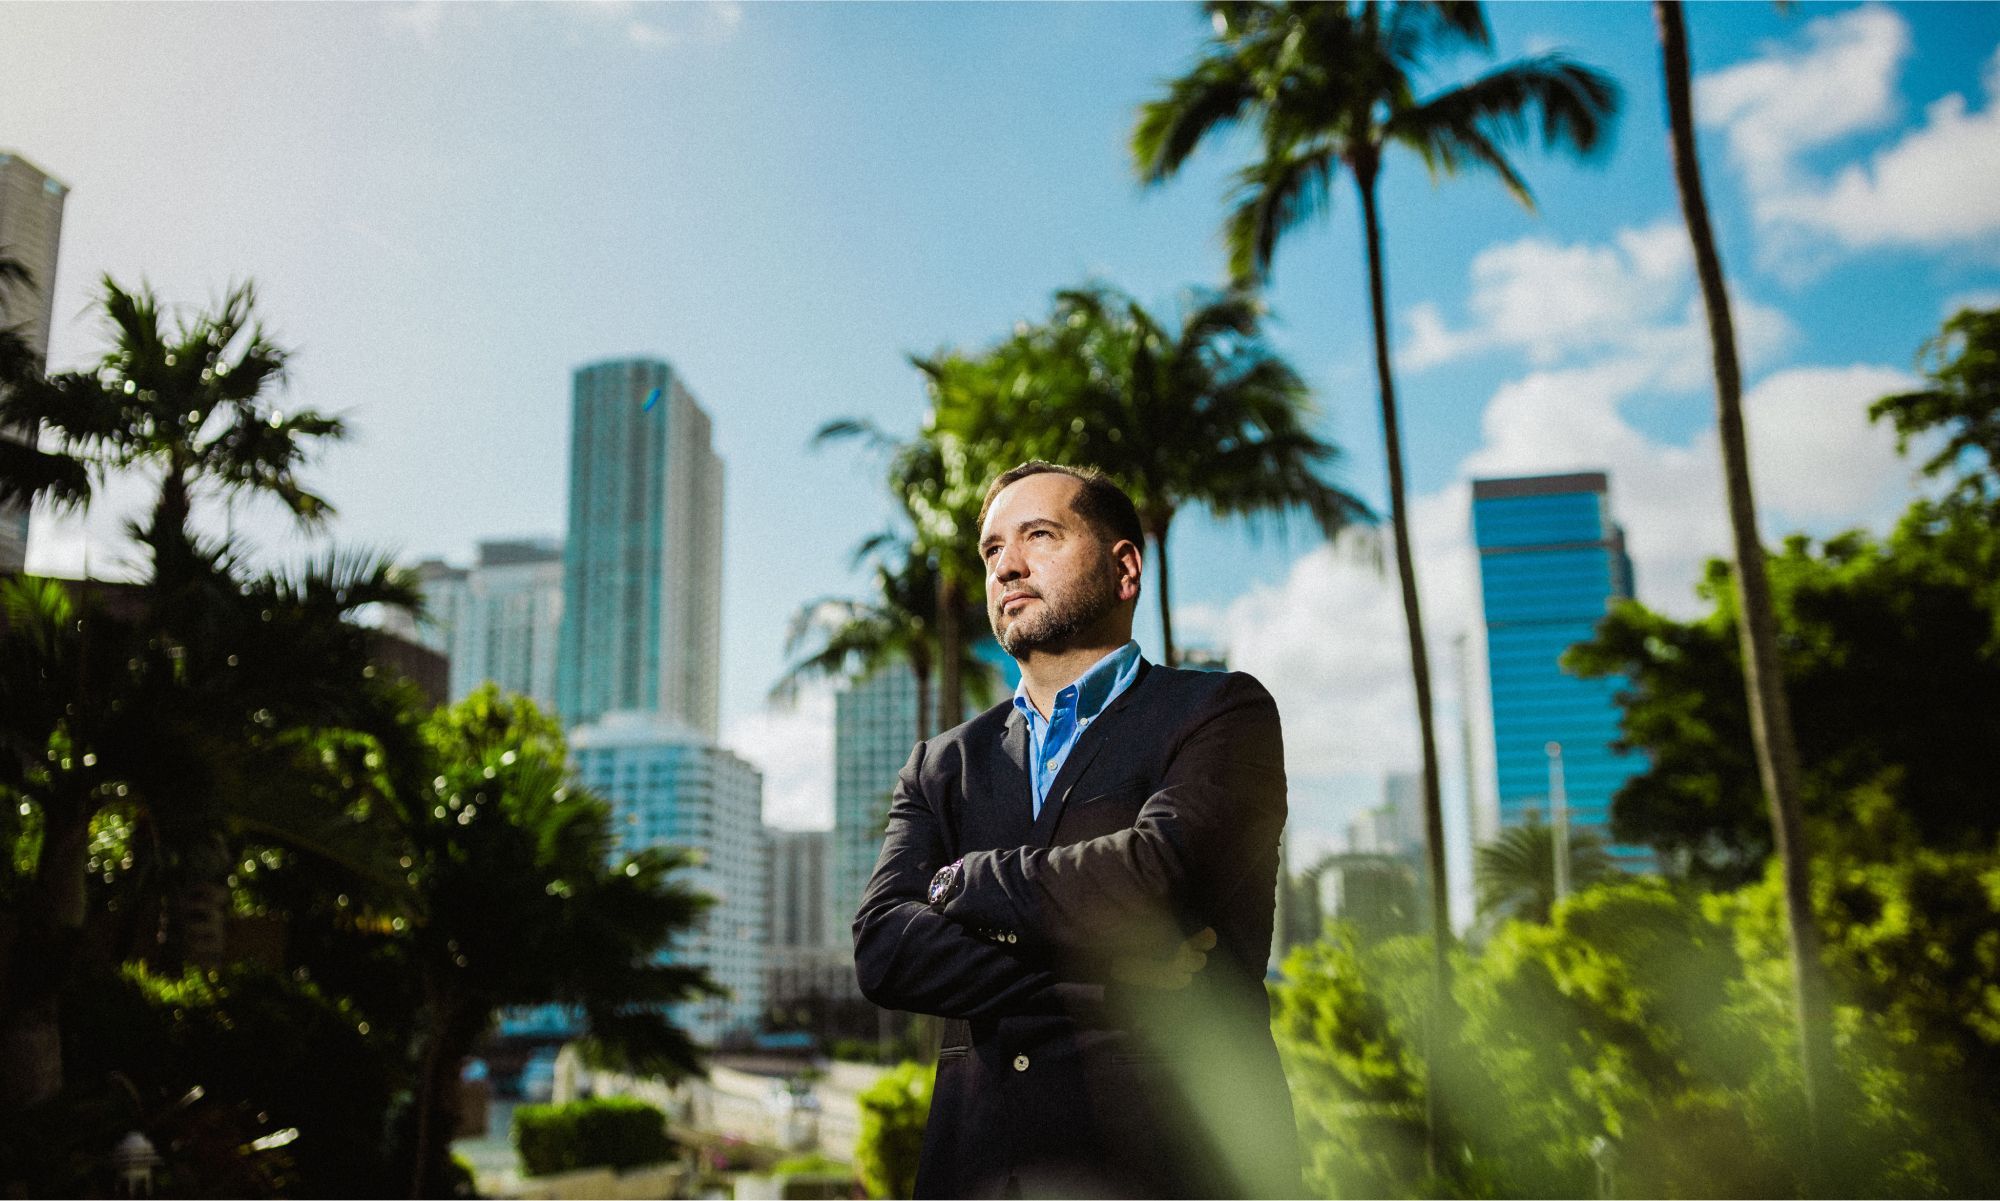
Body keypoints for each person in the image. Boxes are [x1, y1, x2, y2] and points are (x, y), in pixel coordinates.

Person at [853, 461, 1301, 1199]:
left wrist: (960, 881)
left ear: (1125, 567)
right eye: (993, 549)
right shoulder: (941, 764)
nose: (1008, 566)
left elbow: (1155, 879)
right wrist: (1105, 967)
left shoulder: (1221, 713)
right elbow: (884, 951)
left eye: (1039, 535)